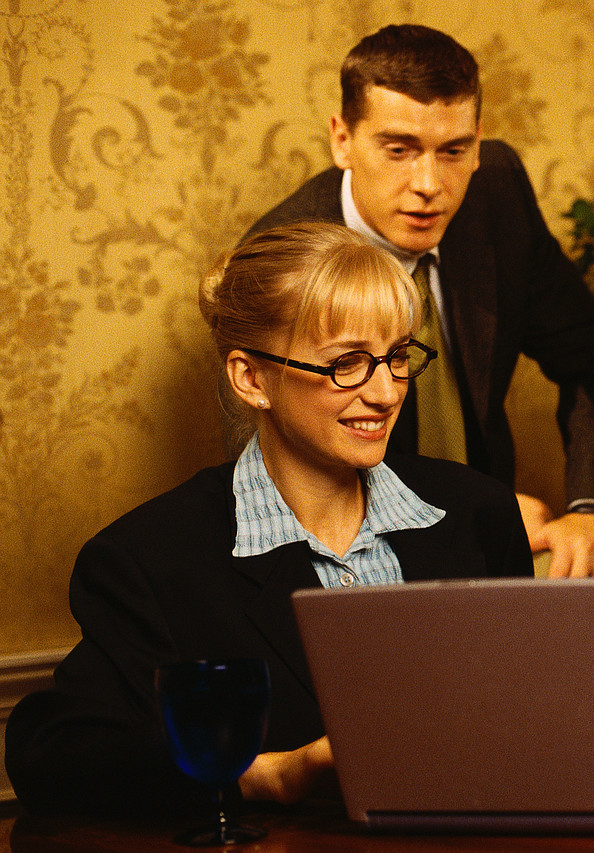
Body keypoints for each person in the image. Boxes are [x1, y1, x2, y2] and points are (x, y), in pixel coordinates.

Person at [5, 222, 534, 816]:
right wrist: (270, 775)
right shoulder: (148, 560)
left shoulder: (478, 514)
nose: (386, 392)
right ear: (251, 378)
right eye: (348, 364)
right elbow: (52, 757)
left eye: (396, 357)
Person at [245, 24, 594, 578]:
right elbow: (291, 476)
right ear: (342, 140)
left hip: (494, 528)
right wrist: (473, 515)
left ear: (478, 141)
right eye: (399, 150)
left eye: (454, 151)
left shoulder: (497, 194)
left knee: (589, 585)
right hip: (347, 549)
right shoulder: (284, 262)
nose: (429, 183)